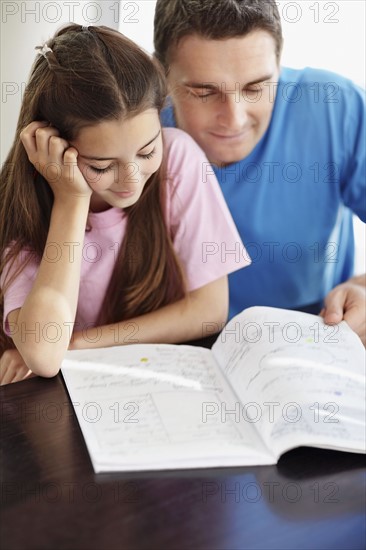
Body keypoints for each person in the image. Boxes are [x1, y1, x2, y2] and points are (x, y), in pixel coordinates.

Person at [0, 23, 250, 384]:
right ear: (52, 148)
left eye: (147, 150)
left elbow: (209, 311)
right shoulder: (24, 206)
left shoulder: (178, 159)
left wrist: (82, 344)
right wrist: (72, 200)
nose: (132, 179)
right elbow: (43, 353)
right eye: (102, 166)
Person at [154, 0, 366, 344]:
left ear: (279, 67)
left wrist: (362, 288)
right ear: (159, 74)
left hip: (313, 331)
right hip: (171, 343)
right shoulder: (134, 132)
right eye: (204, 92)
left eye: (256, 88)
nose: (234, 119)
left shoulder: (337, 110)